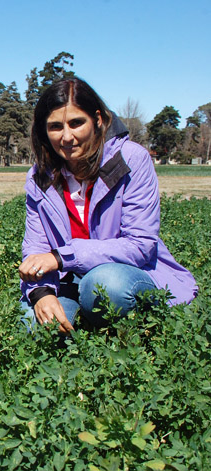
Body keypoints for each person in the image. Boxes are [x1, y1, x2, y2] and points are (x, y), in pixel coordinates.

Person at [19, 77, 197, 334]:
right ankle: (86, 321)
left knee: (104, 285)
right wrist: (41, 293)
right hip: (67, 280)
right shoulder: (40, 176)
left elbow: (140, 245)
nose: (66, 137)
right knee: (33, 329)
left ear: (98, 120)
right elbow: (36, 247)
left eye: (76, 123)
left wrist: (61, 257)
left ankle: (122, 333)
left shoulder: (130, 160)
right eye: (55, 127)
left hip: (131, 274)